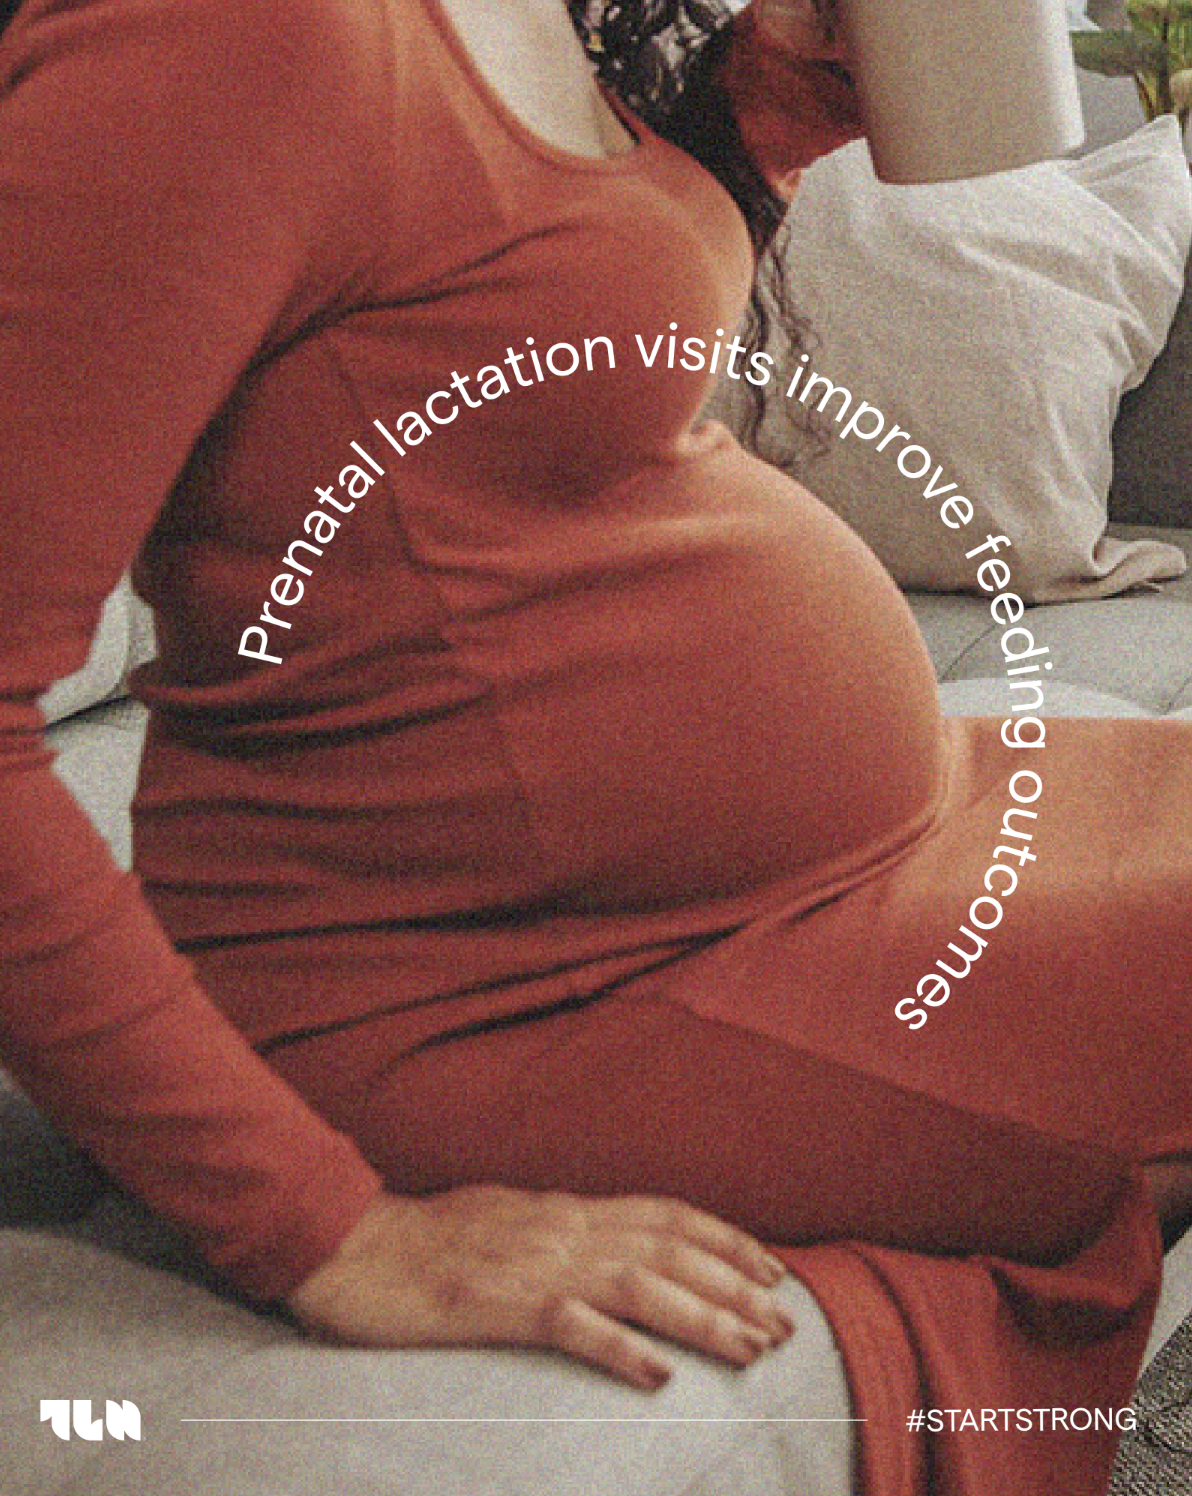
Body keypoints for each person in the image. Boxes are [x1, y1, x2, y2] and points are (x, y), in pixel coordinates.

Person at [1, 0, 1190, 1491]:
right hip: (490, 986)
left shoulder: (558, 16)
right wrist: (331, 1231)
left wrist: (759, 135)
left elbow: (531, 415)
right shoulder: (229, 33)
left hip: (819, 866)